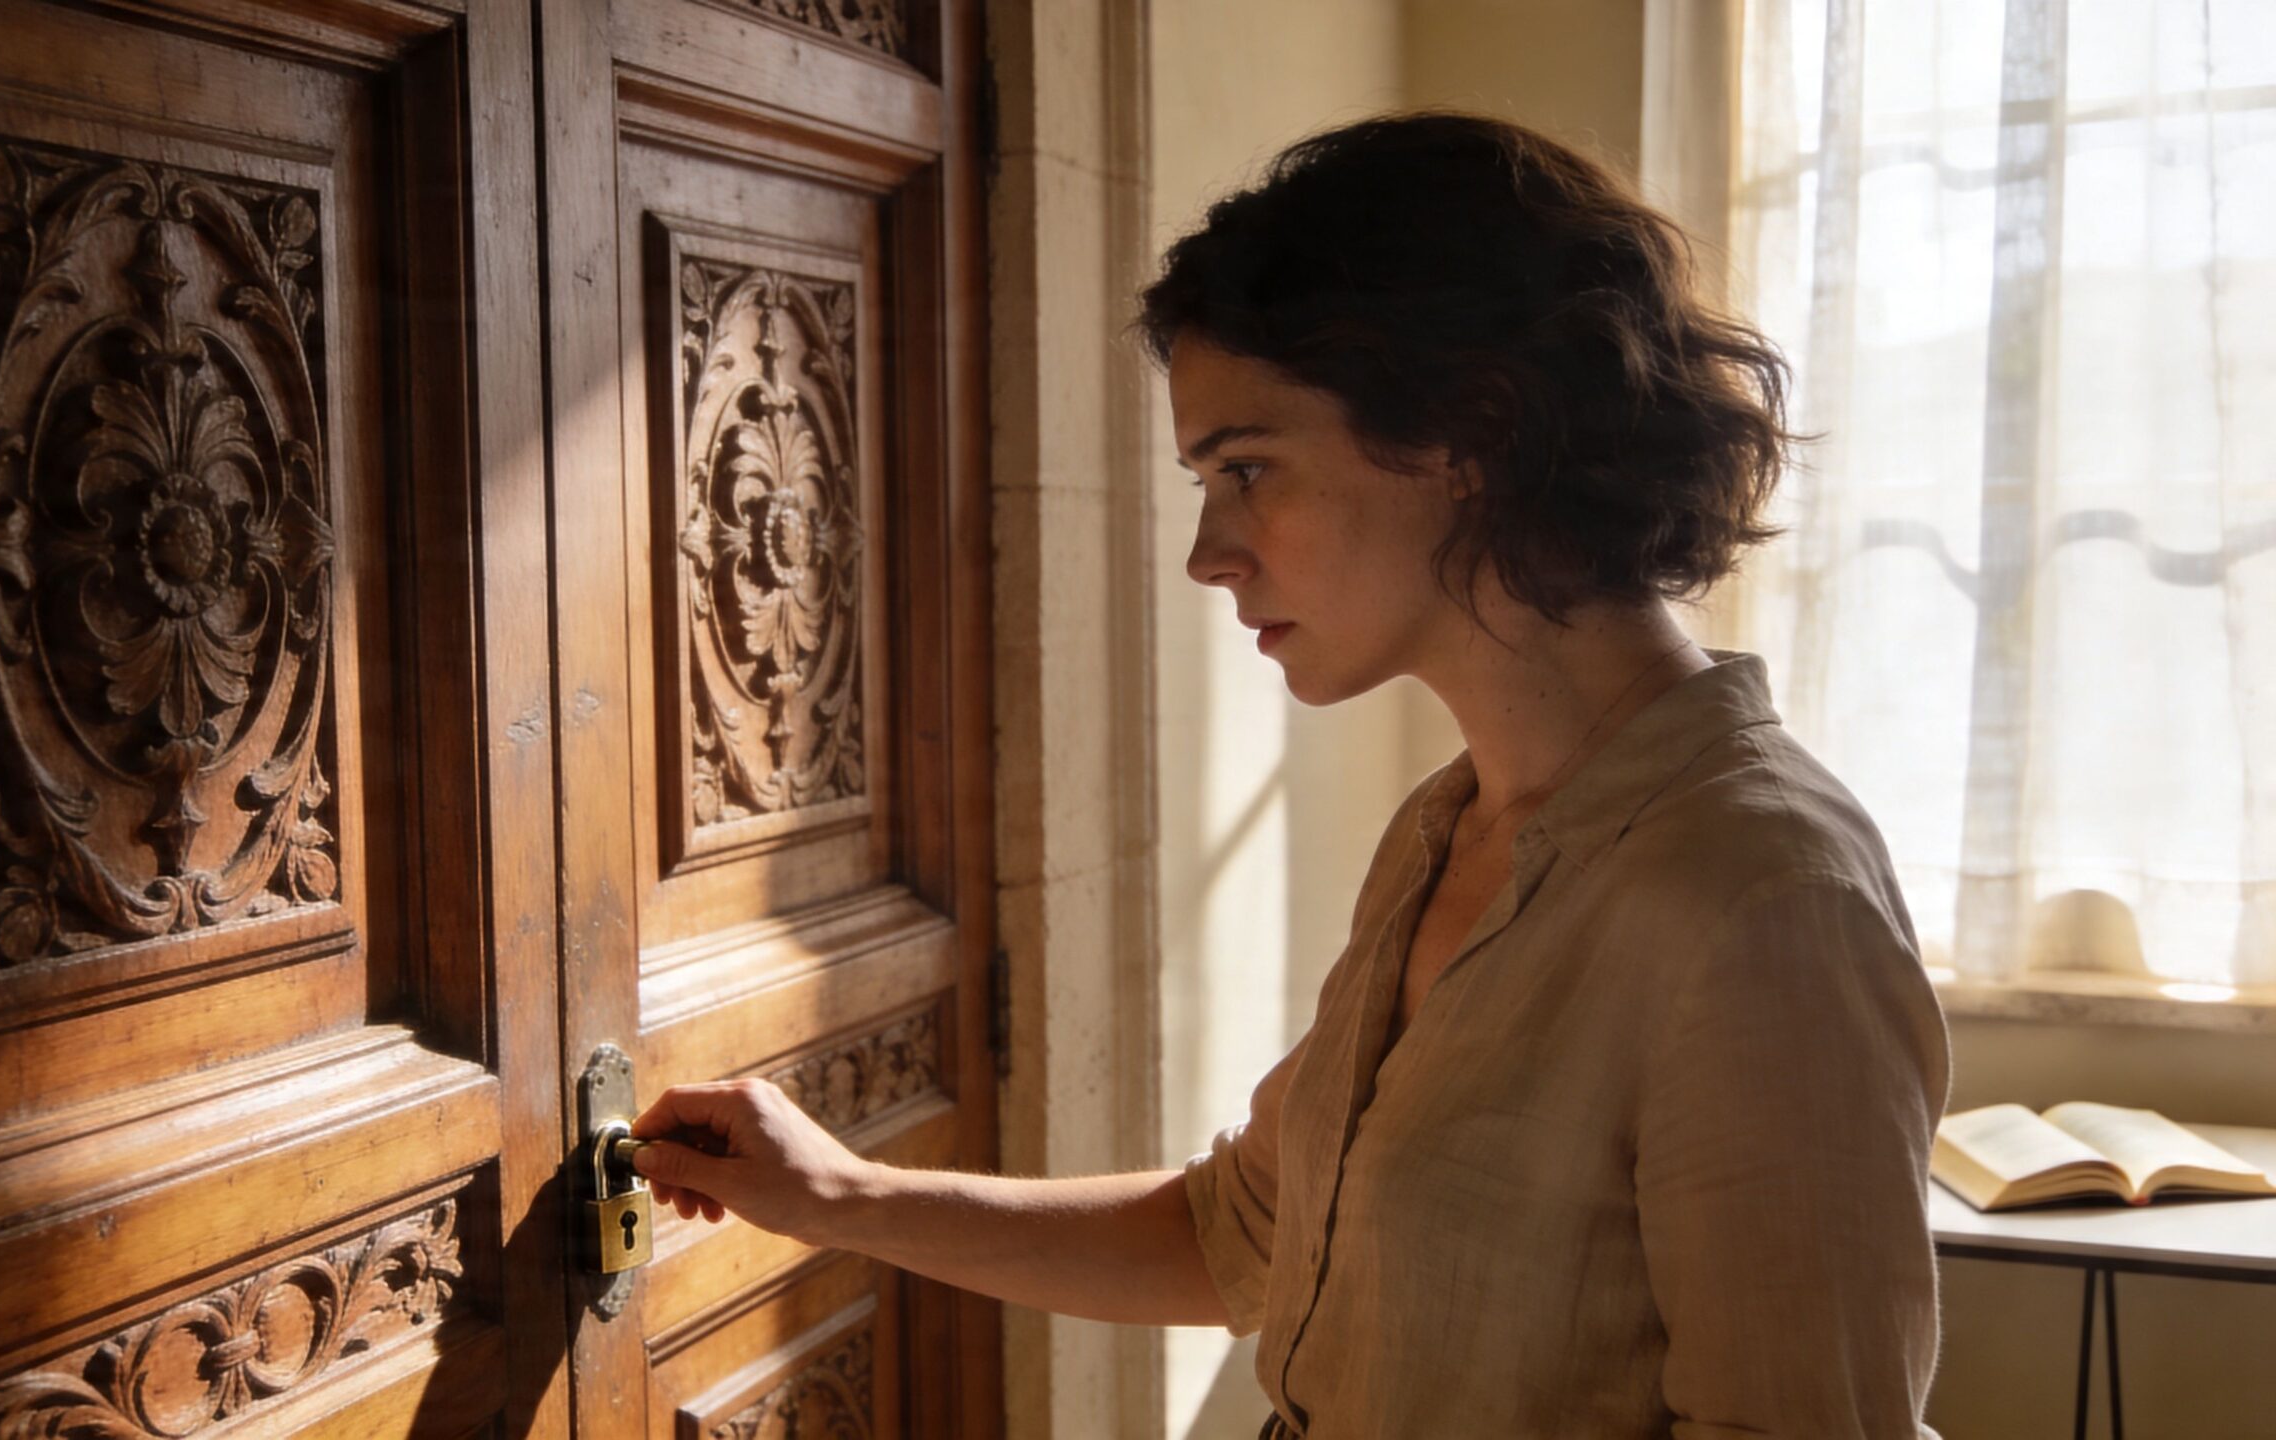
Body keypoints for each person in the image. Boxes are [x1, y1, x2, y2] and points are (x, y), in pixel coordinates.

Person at [627, 111, 1951, 1438]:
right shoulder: (1450, 831)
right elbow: (1244, 1235)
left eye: (1247, 468)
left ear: (1468, 432)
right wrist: (841, 1197)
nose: (1211, 552)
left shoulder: (1765, 903)